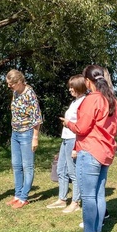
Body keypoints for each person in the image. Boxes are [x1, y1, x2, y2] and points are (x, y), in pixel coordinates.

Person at [60, 64, 117, 232]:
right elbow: (115, 125)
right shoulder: (112, 100)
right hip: (105, 152)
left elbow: (82, 128)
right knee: (98, 195)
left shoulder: (91, 100)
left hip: (90, 151)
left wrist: (68, 123)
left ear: (87, 81)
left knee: (87, 196)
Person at [46, 75, 87, 212]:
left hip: (73, 139)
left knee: (72, 171)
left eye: (72, 87)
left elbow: (81, 125)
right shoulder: (75, 102)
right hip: (65, 138)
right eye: (69, 87)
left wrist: (76, 146)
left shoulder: (84, 102)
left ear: (80, 87)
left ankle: (75, 202)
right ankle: (62, 199)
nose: (70, 89)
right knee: (60, 169)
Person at [4, 69, 43, 209]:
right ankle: (17, 194)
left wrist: (35, 138)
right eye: (8, 84)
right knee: (16, 165)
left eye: (11, 84)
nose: (9, 87)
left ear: (19, 82)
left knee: (27, 166)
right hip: (15, 133)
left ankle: (24, 197)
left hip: (27, 134)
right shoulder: (15, 93)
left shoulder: (29, 94)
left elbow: (37, 118)